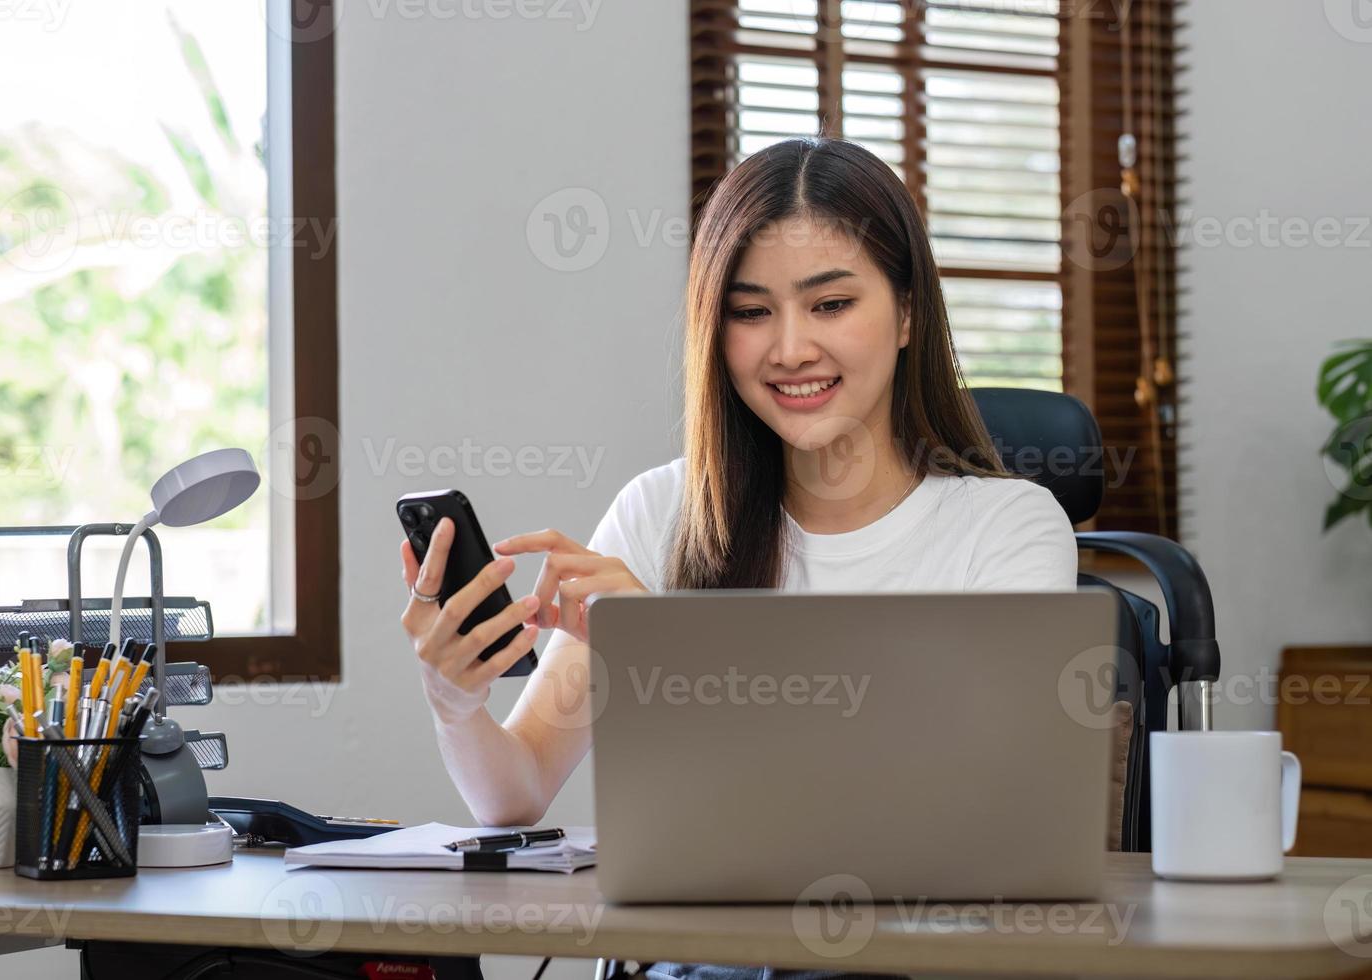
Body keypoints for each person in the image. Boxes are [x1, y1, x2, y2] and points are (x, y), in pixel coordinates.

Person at [398, 137, 1077, 980]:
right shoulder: (661, 512)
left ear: (907, 314)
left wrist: (682, 666)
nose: (789, 349)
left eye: (830, 305)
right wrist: (454, 702)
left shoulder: (1009, 529)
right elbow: (516, 794)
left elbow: (990, 815)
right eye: (751, 312)